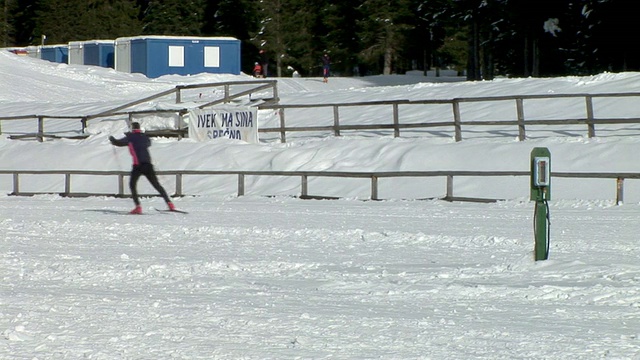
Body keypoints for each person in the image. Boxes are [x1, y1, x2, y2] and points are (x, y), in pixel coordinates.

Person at [109, 122, 175, 214]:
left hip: (138, 166)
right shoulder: (144, 137)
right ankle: (170, 204)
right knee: (157, 185)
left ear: (132, 128)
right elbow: (148, 144)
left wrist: (112, 139)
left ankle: (138, 207)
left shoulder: (130, 137)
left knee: (132, 185)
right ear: (139, 128)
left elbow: (118, 143)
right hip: (148, 164)